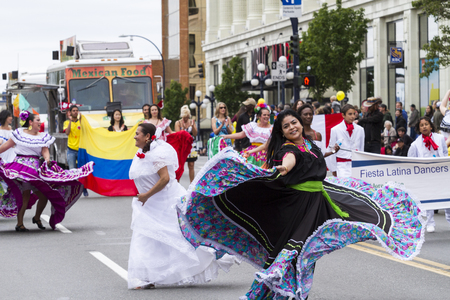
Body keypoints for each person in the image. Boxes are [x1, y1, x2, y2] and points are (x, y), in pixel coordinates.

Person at [178, 109, 424, 299]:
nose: (292, 127)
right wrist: (283, 167)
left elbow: (310, 158)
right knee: (296, 251)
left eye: (294, 122)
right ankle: (285, 292)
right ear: (282, 132)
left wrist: (328, 152)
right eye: (286, 126)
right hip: (301, 206)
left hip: (321, 198)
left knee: (339, 232)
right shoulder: (289, 150)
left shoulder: (307, 144)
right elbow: (290, 160)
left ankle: (294, 293)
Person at [127, 123, 235, 289]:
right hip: (149, 204)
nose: (135, 136)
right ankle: (147, 276)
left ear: (147, 136)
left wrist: (146, 195)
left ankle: (207, 258)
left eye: (137, 134)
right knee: (148, 238)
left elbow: (165, 179)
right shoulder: (140, 153)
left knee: (179, 236)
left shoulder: (158, 153)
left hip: (164, 202)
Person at [0, 111, 93, 231]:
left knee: (44, 196)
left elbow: (45, 150)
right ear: (30, 122)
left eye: (40, 120)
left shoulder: (42, 136)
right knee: (25, 195)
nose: (40, 122)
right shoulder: (19, 133)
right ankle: (20, 224)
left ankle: (37, 217)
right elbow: (5, 146)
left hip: (35, 170)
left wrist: (47, 159)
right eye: (37, 120)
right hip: (21, 169)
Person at [407, 116, 449, 233]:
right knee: (429, 200)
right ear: (419, 129)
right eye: (421, 125)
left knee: (446, 196)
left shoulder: (440, 138)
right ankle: (430, 222)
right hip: (426, 176)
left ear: (431, 126)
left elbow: (445, 154)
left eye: (426, 124)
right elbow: (411, 160)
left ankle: (449, 218)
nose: (424, 126)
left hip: (440, 173)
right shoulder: (415, 144)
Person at [329, 104, 365, 177]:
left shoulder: (360, 130)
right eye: (350, 114)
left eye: (354, 114)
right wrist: (333, 168)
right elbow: (332, 149)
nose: (352, 116)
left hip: (356, 164)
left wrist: (361, 164)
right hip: (341, 165)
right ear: (343, 115)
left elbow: (361, 149)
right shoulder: (335, 130)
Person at [64, 105, 89, 197]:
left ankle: (84, 189)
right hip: (71, 150)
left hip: (81, 150)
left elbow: (86, 131)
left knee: (82, 170)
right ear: (70, 112)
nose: (75, 112)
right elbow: (67, 132)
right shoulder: (67, 122)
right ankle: (73, 191)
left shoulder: (81, 122)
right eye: (73, 110)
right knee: (72, 171)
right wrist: (70, 121)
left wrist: (82, 120)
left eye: (77, 110)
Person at [174, 105, 198, 183]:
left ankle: (192, 184)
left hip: (191, 146)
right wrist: (183, 128)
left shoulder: (192, 121)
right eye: (184, 116)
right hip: (182, 146)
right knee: (180, 166)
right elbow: (178, 136)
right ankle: (177, 185)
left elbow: (195, 133)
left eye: (187, 116)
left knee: (191, 165)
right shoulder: (178, 122)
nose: (186, 118)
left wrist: (192, 126)